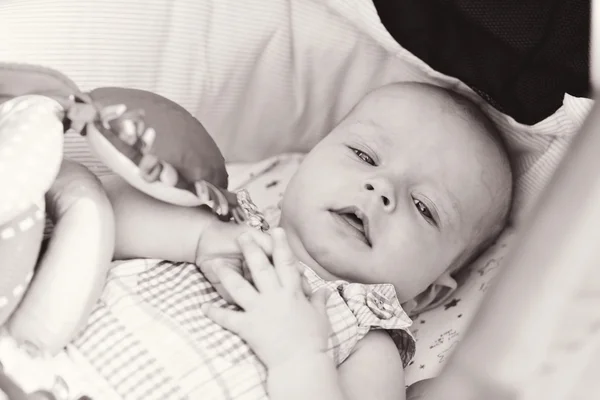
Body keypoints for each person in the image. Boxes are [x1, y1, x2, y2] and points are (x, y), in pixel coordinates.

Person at [93, 81, 513, 400]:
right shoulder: (226, 218)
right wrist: (201, 237)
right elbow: (95, 213)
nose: (382, 187)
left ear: (425, 296)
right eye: (364, 156)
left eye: (424, 207)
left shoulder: (367, 344)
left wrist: (298, 356)